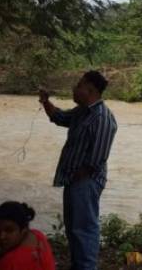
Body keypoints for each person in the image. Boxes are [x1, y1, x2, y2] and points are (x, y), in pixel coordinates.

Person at [40, 71, 118, 270]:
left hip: (86, 181)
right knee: (74, 229)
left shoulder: (102, 117)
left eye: (79, 85)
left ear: (90, 90)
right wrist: (45, 102)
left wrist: (77, 177)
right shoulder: (82, 111)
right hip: (75, 180)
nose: (75, 88)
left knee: (84, 229)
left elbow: (97, 159)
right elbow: (60, 117)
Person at [0, 202, 55, 270]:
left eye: (9, 230)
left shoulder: (8, 264)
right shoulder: (38, 236)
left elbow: (14, 257)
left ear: (23, 231)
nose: (1, 236)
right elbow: (14, 251)